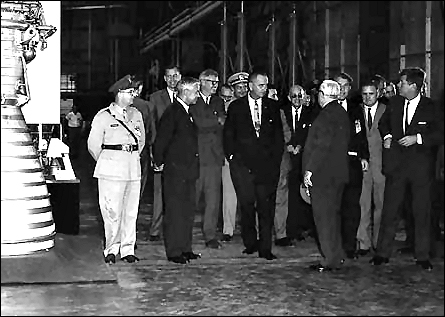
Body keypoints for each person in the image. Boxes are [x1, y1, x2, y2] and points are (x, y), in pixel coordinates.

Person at [370, 67, 444, 271]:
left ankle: (422, 255)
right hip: (397, 167)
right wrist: (387, 137)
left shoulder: (431, 107)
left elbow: (439, 134)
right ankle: (382, 253)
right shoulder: (394, 104)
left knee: (421, 211)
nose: (398, 85)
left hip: (421, 169)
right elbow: (383, 124)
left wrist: (418, 139)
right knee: (390, 210)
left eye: (402, 82)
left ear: (413, 86)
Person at [223, 71, 284, 260]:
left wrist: (275, 161)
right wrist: (233, 157)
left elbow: (278, 137)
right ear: (250, 86)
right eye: (260, 85)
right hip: (243, 168)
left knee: (266, 208)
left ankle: (266, 247)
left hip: (267, 168)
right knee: (247, 206)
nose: (264, 89)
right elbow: (228, 135)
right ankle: (250, 243)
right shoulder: (236, 107)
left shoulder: (273, 107)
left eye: (266, 85)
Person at [87, 74, 145, 264]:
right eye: (130, 92)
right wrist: (108, 160)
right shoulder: (103, 116)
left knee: (131, 212)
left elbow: (141, 141)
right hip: (111, 170)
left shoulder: (136, 114)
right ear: (119, 93)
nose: (134, 95)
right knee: (112, 212)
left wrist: (130, 156)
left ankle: (128, 249)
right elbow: (93, 145)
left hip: (132, 169)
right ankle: (111, 248)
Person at [152, 77, 201, 265]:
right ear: (186, 92)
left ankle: (185, 248)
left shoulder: (187, 111)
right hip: (175, 171)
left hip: (188, 171)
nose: (197, 95)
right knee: (174, 212)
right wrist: (159, 162)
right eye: (195, 92)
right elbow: (161, 140)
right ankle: (174, 251)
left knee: (187, 211)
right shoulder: (173, 112)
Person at [303, 79, 350, 272]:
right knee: (333, 217)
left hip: (323, 176)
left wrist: (309, 170)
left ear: (322, 95)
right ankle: (337, 255)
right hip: (338, 174)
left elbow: (321, 147)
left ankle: (329, 259)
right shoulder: (342, 113)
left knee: (323, 219)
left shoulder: (325, 116)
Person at [334, 72, 369, 260]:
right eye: (339, 85)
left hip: (353, 164)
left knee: (352, 206)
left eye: (346, 86)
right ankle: (335, 245)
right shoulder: (326, 108)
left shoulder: (356, 109)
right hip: (333, 166)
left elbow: (361, 135)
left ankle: (349, 246)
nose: (342, 89)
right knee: (335, 207)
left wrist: (364, 156)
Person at [189, 69, 225, 249]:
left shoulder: (218, 101)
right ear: (201, 81)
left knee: (213, 200)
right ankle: (185, 233)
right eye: (212, 82)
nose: (215, 85)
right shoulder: (193, 101)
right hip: (197, 157)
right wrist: (216, 121)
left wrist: (215, 121)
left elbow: (222, 121)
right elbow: (199, 123)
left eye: (217, 82)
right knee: (192, 198)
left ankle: (210, 235)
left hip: (214, 158)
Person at [147, 65, 182, 242]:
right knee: (159, 192)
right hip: (162, 151)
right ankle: (155, 229)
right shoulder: (155, 98)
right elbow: (152, 126)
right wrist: (154, 152)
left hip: (181, 153)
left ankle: (175, 229)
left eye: (175, 75)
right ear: (164, 79)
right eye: (169, 76)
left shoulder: (189, 95)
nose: (173, 79)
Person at [282, 85, 319, 244]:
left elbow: (312, 135)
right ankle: (291, 229)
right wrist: (288, 145)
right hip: (288, 157)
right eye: (294, 96)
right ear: (289, 98)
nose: (297, 99)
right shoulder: (282, 112)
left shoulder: (311, 113)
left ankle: (305, 227)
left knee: (304, 194)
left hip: (304, 158)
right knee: (289, 195)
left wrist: (301, 146)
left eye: (300, 96)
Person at [357, 80, 387, 254]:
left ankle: (379, 242)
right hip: (363, 166)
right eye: (365, 94)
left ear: (378, 94)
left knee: (381, 205)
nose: (368, 97)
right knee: (363, 204)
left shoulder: (386, 111)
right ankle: (363, 242)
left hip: (381, 166)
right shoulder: (356, 112)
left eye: (371, 94)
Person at [220, 74, 249, 242]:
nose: (243, 90)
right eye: (239, 87)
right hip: (231, 156)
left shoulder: (255, 106)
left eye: (245, 86)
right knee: (229, 194)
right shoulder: (229, 107)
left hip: (249, 157)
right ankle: (228, 229)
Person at [268, 85, 293, 247]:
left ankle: (281, 234)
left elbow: (288, 134)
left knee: (281, 199)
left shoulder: (280, 112)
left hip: (280, 162)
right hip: (263, 162)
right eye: (273, 94)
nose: (276, 97)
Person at [130, 77, 156, 210]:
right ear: (139, 89)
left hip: (121, 153)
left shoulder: (118, 105)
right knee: (139, 182)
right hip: (142, 150)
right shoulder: (148, 106)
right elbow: (152, 132)